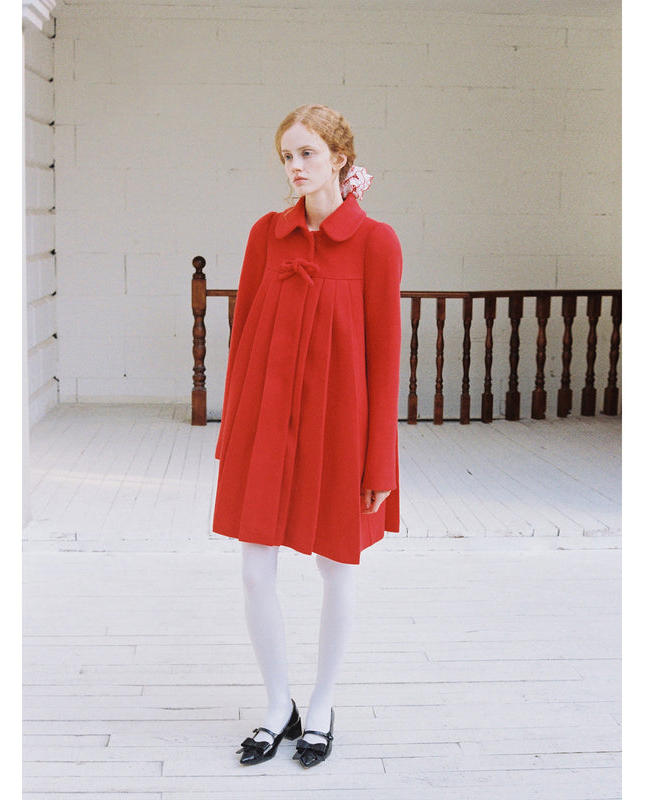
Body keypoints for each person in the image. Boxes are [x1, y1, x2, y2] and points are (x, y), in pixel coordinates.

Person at [212, 104, 402, 769]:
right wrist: (232, 431)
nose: (295, 167)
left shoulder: (377, 243)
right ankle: (277, 704)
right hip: (266, 426)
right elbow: (242, 345)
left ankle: (320, 703)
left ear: (340, 159)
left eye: (308, 154)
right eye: (287, 156)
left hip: (340, 433)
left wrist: (382, 461)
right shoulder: (267, 234)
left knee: (337, 569)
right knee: (254, 569)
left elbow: (384, 358)